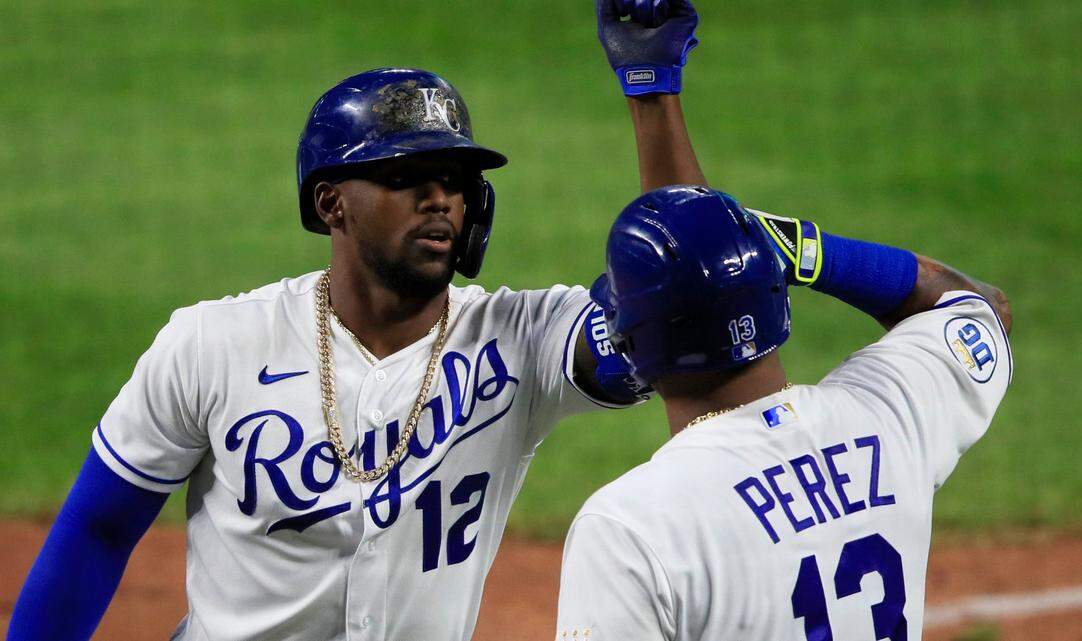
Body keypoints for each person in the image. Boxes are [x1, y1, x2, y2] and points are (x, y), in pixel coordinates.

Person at [8, 68, 653, 641]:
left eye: (454, 181)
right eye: (404, 178)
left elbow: (670, 309)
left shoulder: (524, 338)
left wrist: (652, 90)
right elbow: (97, 529)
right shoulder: (213, 345)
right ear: (330, 203)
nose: (439, 200)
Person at [553, 2, 1013, 639]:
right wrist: (811, 252)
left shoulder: (632, 527)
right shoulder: (886, 421)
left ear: (630, 349)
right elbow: (975, 305)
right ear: (779, 299)